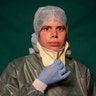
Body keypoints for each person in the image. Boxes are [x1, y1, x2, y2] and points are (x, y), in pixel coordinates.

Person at [0, 5, 96, 96]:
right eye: (47, 28)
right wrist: (39, 84)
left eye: (60, 28)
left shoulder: (82, 72)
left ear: (66, 33)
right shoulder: (16, 69)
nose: (54, 34)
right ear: (38, 34)